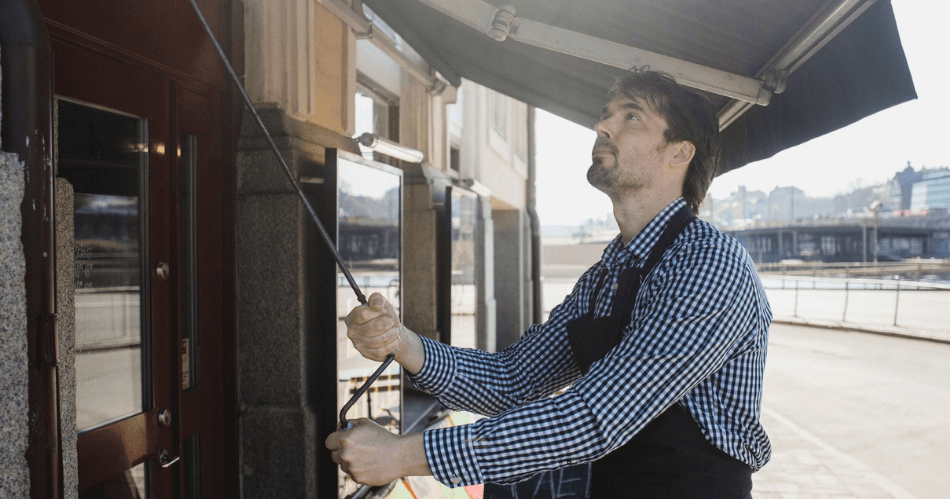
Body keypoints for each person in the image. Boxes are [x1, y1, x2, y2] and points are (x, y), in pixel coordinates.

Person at [326, 70, 772, 497]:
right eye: (606, 112)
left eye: (631, 115)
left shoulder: (708, 264)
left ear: (679, 153)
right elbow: (512, 380)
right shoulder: (608, 274)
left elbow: (597, 417)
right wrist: (401, 341)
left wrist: (406, 454)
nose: (602, 125)